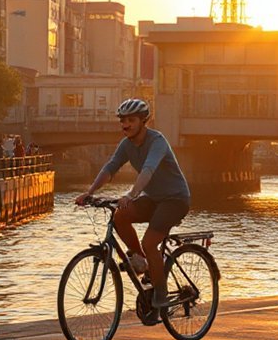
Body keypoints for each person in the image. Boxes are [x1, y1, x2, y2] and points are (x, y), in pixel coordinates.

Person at [75, 98, 191, 321]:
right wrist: (89, 192)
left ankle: (161, 293)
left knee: (150, 242)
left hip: (175, 199)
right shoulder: (126, 144)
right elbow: (111, 167)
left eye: (131, 120)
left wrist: (131, 194)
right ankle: (141, 259)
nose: (125, 125)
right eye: (123, 121)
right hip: (154, 198)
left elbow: (148, 170)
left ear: (143, 121)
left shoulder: (157, 141)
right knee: (120, 216)